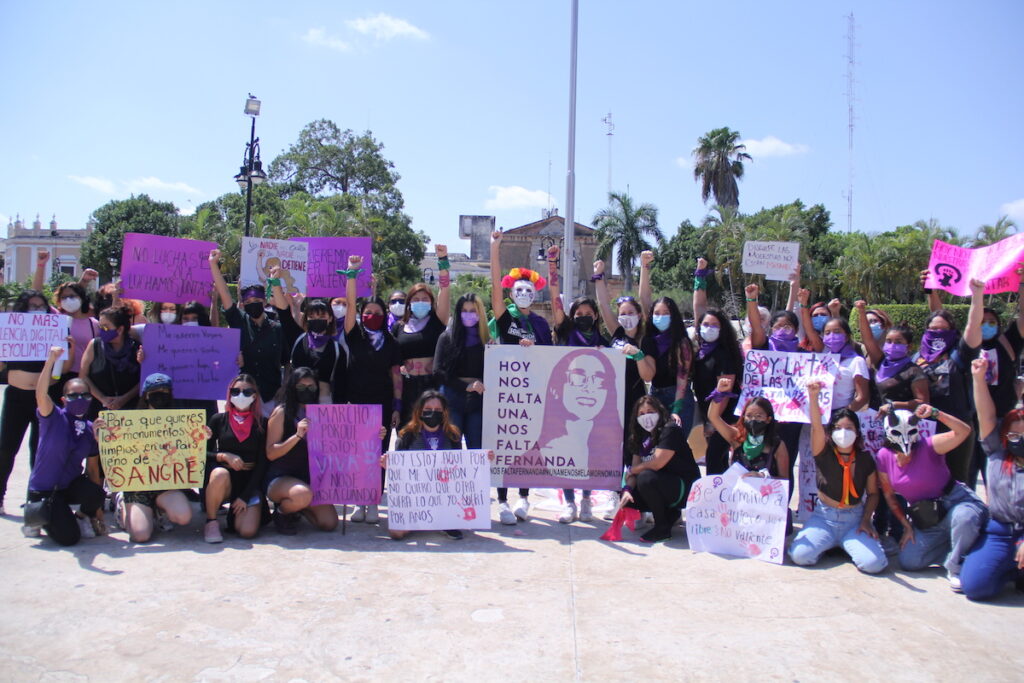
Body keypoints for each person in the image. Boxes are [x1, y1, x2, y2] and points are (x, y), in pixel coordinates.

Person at [874, 403, 984, 590]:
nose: (905, 438)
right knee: (910, 561)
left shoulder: (929, 445)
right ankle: (960, 549)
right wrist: (906, 525)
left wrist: (936, 413)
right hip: (928, 516)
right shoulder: (884, 456)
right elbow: (890, 496)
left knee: (965, 518)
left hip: (955, 502)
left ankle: (955, 566)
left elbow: (964, 431)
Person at [788, 382, 887, 573]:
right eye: (838, 428)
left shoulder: (866, 459)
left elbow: (873, 493)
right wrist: (814, 397)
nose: (844, 432)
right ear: (831, 432)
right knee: (800, 556)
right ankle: (830, 543)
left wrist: (866, 520)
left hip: (854, 520)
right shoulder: (823, 453)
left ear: (857, 432)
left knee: (874, 565)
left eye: (849, 428)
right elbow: (816, 427)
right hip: (824, 518)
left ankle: (845, 544)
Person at [489, 230, 553, 524]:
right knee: (504, 444)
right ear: (511, 292)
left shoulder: (541, 323)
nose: (524, 294)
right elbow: (493, 288)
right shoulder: (504, 318)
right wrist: (495, 248)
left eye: (529, 290)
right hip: (504, 390)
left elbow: (551, 358)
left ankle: (524, 497)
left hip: (533, 392)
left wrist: (535, 348)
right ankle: (502, 501)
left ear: (535, 292)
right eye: (519, 290)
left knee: (529, 444)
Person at [23, 345, 106, 546]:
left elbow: (94, 470)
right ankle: (36, 517)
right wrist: (50, 361)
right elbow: (41, 395)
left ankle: (80, 517)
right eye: (73, 395)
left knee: (96, 492)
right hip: (45, 490)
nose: (80, 399)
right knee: (69, 538)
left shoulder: (89, 428)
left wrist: (96, 511)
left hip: (69, 486)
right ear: (63, 399)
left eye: (85, 395)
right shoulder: (53, 417)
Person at [548, 247, 608, 523]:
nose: (583, 315)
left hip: (596, 408)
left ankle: (586, 501)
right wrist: (552, 266)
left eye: (588, 312)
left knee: (591, 453)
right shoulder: (567, 331)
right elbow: (556, 303)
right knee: (569, 452)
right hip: (568, 405)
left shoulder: (604, 342)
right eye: (578, 312)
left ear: (595, 315)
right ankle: (569, 502)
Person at [341, 255, 402, 524]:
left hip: (383, 404)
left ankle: (374, 500)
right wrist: (352, 275)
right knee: (357, 454)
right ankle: (358, 501)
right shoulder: (354, 334)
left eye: (378, 313)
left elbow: (396, 375)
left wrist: (397, 406)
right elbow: (352, 304)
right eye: (368, 313)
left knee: (378, 455)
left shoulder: (391, 341)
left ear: (384, 316)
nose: (372, 316)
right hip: (355, 402)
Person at [0, 290, 71, 515]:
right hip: (16, 397)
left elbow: (62, 372)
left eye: (41, 305)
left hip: (42, 398)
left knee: (39, 451)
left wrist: (66, 349)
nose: (37, 309)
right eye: (32, 305)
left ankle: (35, 499)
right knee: (6, 448)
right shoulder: (12, 332)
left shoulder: (53, 333)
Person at [594, 259, 655, 517]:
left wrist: (644, 268)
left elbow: (646, 298)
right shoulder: (616, 332)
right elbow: (603, 305)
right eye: (623, 313)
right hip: (612, 401)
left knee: (636, 449)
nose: (626, 317)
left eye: (631, 312)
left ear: (639, 315)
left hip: (636, 400)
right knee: (612, 448)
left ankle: (638, 496)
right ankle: (611, 493)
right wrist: (599, 276)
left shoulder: (645, 339)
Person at [961, 357, 1024, 600]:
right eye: (1015, 435)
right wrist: (979, 379)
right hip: (1000, 529)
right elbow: (986, 416)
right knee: (976, 587)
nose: (1019, 439)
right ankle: (1010, 570)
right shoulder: (997, 451)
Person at [112, 374, 195, 543]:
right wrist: (103, 436)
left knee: (183, 516)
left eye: (165, 391)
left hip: (164, 484)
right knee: (140, 535)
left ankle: (158, 510)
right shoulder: (128, 422)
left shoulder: (179, 422)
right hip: (137, 487)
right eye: (155, 391)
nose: (160, 395)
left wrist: (199, 436)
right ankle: (122, 503)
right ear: (146, 395)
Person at [210, 248, 286, 417]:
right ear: (243, 304)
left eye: (257, 300)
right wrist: (213, 264)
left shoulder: (278, 328)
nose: (253, 304)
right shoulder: (239, 321)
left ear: (265, 301)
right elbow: (224, 293)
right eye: (249, 301)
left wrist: (284, 386)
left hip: (271, 396)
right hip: (244, 398)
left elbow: (287, 362)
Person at [265, 367, 339, 535]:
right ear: (292, 388)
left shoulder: (322, 414)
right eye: (301, 387)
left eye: (311, 387)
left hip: (308, 479)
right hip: (280, 477)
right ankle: (282, 512)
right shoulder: (282, 413)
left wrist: (374, 433)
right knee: (302, 495)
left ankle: (299, 509)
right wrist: (297, 436)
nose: (306, 391)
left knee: (329, 522)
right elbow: (270, 452)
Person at [386, 390, 468, 541]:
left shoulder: (453, 436)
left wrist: (483, 459)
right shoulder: (406, 437)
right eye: (428, 410)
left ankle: (445, 520)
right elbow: (399, 475)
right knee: (396, 532)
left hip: (444, 496)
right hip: (415, 497)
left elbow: (460, 468)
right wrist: (390, 465)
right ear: (419, 412)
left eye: (437, 410)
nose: (433, 414)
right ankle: (420, 519)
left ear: (444, 413)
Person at [620, 396, 701, 542]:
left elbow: (657, 463)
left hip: (685, 487)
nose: (647, 417)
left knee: (645, 478)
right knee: (628, 495)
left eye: (650, 411)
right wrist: (627, 490)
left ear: (659, 411)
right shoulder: (639, 436)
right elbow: (634, 466)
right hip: (663, 483)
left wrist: (633, 471)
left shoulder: (670, 430)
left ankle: (662, 527)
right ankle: (671, 514)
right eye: (642, 414)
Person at [203, 374, 268, 543]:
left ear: (255, 396)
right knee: (218, 474)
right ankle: (211, 521)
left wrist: (246, 496)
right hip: (225, 481)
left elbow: (262, 463)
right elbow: (202, 453)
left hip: (249, 482)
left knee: (246, 531)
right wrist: (223, 455)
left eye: (247, 392)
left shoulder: (263, 423)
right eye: (236, 391)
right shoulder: (218, 420)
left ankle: (240, 512)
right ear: (229, 393)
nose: (241, 395)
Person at [391, 245, 451, 427]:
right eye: (416, 299)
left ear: (431, 302)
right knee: (407, 436)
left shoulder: (437, 321)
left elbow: (445, 289)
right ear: (408, 303)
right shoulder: (398, 327)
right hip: (407, 388)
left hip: (431, 387)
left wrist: (442, 260)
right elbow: (394, 364)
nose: (420, 302)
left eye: (425, 299)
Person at [271, 279, 345, 403]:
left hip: (323, 406)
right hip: (296, 402)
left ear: (330, 318)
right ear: (306, 318)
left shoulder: (337, 349)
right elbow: (284, 312)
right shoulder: (298, 338)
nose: (317, 320)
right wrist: (275, 282)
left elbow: (342, 384)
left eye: (322, 317)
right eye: (312, 317)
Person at [433, 293, 489, 455]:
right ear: (458, 312)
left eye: (473, 310)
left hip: (477, 401)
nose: (469, 314)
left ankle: (478, 482)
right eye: (465, 310)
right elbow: (437, 372)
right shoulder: (446, 337)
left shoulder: (487, 340)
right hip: (452, 398)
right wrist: (466, 386)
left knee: (476, 449)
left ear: (480, 313)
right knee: (451, 449)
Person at [707, 377, 790, 480]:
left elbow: (785, 479)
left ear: (768, 419)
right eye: (749, 416)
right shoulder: (736, 437)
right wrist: (719, 393)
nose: (753, 419)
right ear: (743, 417)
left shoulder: (777, 445)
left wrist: (762, 477)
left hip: (765, 494)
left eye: (759, 416)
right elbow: (713, 417)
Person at [78, 304, 141, 421]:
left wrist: (123, 399)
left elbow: (142, 380)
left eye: (106, 327)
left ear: (120, 329)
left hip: (129, 412)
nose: (102, 331)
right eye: (100, 327)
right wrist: (103, 399)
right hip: (98, 410)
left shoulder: (136, 348)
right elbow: (83, 376)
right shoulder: (94, 345)